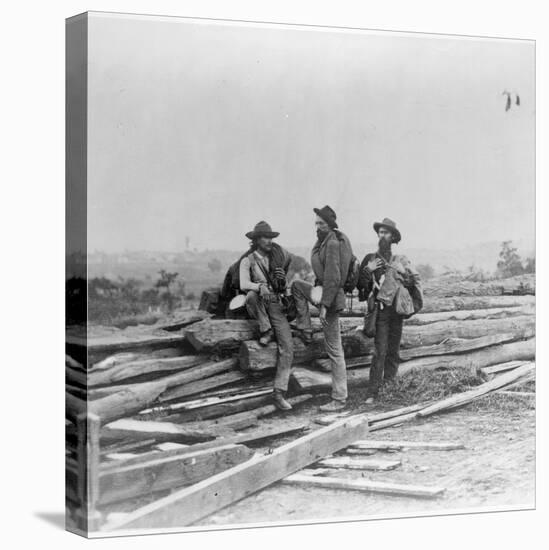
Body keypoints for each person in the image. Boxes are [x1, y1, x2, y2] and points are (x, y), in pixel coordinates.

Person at [291, 205, 353, 412]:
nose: (317, 226)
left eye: (322, 223)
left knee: (335, 350)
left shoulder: (333, 243)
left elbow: (334, 278)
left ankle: (339, 398)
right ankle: (305, 328)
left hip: (332, 299)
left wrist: (324, 307)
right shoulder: (323, 241)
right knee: (297, 286)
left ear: (330, 224)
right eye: (316, 223)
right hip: (322, 291)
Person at [357, 218, 422, 404]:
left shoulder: (400, 260)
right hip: (380, 312)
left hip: (397, 312)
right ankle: (373, 392)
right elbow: (360, 289)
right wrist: (367, 272)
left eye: (385, 233)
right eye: (380, 233)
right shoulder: (370, 259)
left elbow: (412, 284)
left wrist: (404, 273)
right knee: (380, 351)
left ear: (393, 237)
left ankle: (390, 388)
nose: (381, 236)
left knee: (393, 351)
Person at [239, 221, 295, 411]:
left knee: (287, 346)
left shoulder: (277, 258)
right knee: (251, 296)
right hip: (260, 302)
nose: (269, 241)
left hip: (275, 303)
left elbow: (283, 282)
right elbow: (244, 283)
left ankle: (279, 392)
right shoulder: (248, 260)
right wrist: (259, 286)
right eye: (265, 237)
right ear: (256, 240)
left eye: (271, 237)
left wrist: (284, 289)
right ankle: (266, 328)